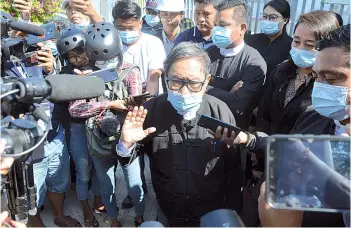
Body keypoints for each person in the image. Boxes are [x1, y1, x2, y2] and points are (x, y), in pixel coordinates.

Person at [217, 24, 351, 227]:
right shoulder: (316, 115)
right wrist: (251, 140)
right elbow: (289, 148)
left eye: (331, 79)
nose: (320, 87)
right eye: (316, 77)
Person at [115, 42, 243, 227]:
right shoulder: (149, 111)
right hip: (169, 205)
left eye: (192, 83)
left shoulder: (220, 111)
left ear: (206, 81)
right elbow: (130, 159)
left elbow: (234, 168)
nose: (183, 92)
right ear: (165, 78)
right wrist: (125, 144)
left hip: (211, 207)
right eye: (175, 82)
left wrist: (232, 211)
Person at [69, 22, 144, 227]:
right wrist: (108, 104)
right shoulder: (84, 74)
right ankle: (113, 218)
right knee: (106, 184)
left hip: (126, 139)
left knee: (134, 182)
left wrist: (126, 106)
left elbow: (137, 103)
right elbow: (75, 109)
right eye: (99, 61)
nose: (104, 64)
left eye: (109, 58)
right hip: (97, 139)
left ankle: (140, 216)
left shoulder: (130, 71)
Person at [256, 11, 340, 135]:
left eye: (309, 44)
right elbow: (263, 113)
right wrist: (257, 143)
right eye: (296, 41)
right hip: (265, 147)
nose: (300, 48)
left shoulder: (327, 87)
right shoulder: (281, 71)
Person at [56, 27, 104, 227]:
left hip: (100, 125)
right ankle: (85, 205)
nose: (78, 59)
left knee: (100, 168)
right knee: (83, 170)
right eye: (72, 57)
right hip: (77, 127)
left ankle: (98, 198)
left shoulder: (101, 64)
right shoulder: (66, 72)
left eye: (80, 52)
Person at [206, 0, 267, 130]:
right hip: (203, 128)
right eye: (216, 25)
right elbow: (192, 89)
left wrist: (205, 88)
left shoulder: (254, 63)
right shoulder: (207, 54)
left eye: (223, 25)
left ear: (242, 28)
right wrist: (227, 94)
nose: (216, 30)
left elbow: (238, 104)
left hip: (231, 135)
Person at [112, 0, 166, 95]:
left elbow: (154, 78)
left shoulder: (153, 43)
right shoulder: (111, 46)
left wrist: (147, 102)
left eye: (131, 28)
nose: (126, 32)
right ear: (114, 24)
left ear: (140, 23)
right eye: (121, 28)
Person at [245, 0, 292, 77]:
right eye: (265, 16)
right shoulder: (251, 40)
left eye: (273, 17)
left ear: (285, 20)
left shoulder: (290, 47)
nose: (267, 21)